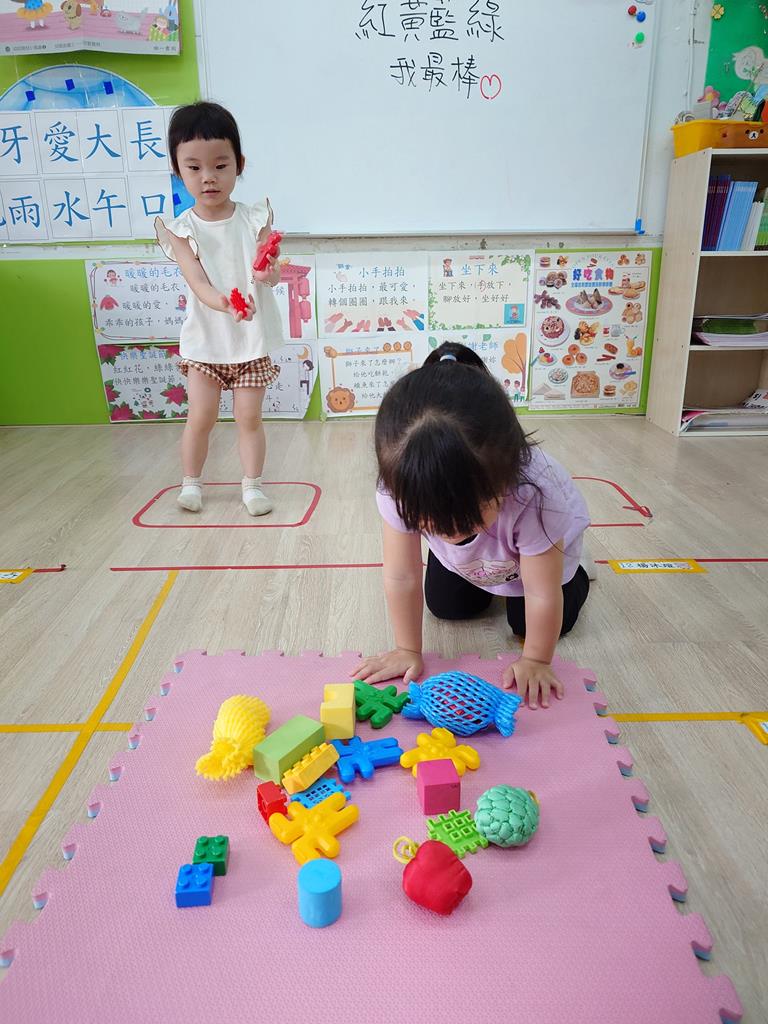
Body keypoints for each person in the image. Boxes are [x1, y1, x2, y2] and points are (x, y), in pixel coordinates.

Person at [353, 342, 591, 709]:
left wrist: (536, 660)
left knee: (528, 623)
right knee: (447, 607)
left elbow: (542, 594)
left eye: (466, 518)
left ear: (506, 477)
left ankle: (578, 570)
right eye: (431, 523)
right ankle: (484, 569)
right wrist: (406, 648)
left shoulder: (537, 493)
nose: (449, 533)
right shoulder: (398, 486)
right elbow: (402, 576)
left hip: (537, 552)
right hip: (479, 558)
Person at [155, 101, 282, 516]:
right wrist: (225, 303)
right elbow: (198, 282)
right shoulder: (180, 230)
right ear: (177, 170)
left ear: (239, 164)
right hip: (206, 341)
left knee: (249, 418)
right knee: (201, 417)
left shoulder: (255, 219)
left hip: (250, 341)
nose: (208, 176)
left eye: (220, 165)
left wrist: (267, 273)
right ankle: (191, 483)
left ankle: (253, 486)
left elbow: (270, 271)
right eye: (194, 167)